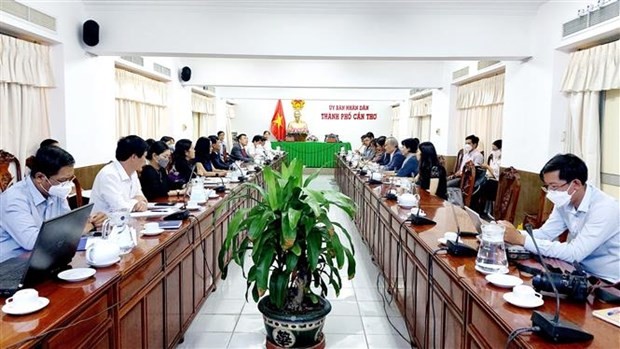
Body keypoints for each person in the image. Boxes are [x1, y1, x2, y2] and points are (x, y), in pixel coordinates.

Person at [501, 154, 620, 283]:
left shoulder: (605, 208)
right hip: (578, 272)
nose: (550, 192)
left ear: (576, 184)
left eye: (554, 186)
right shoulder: (565, 201)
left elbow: (574, 252)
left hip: (606, 282)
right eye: (547, 186)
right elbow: (546, 233)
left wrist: (521, 239)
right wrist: (511, 234)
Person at [0, 146, 106, 262]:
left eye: (69, 179)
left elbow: (67, 223)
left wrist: (93, 221)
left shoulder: (54, 191)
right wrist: (79, 229)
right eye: (62, 181)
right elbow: (32, 242)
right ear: (40, 177)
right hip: (11, 265)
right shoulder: (13, 199)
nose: (67, 186)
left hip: (46, 257)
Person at [90, 135, 149, 214]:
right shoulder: (109, 175)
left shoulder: (133, 172)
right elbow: (120, 207)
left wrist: (139, 202)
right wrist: (135, 202)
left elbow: (142, 198)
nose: (146, 161)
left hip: (128, 220)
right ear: (134, 157)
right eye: (144, 156)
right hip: (105, 224)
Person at [479, 139, 502, 215]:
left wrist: (488, 167)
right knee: (479, 182)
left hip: (496, 181)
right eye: (492, 149)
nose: (493, 151)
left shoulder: (502, 161)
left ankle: (484, 210)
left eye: (495, 149)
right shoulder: (492, 158)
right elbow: (489, 172)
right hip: (488, 177)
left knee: (485, 185)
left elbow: (497, 175)